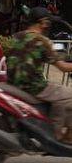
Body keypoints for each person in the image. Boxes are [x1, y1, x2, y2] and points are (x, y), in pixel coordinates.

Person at [6, 7, 72, 143]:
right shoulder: (42, 41)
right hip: (35, 86)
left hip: (13, 84)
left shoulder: (16, 37)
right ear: (42, 22)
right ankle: (56, 133)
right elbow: (63, 67)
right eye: (48, 22)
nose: (49, 25)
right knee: (68, 95)